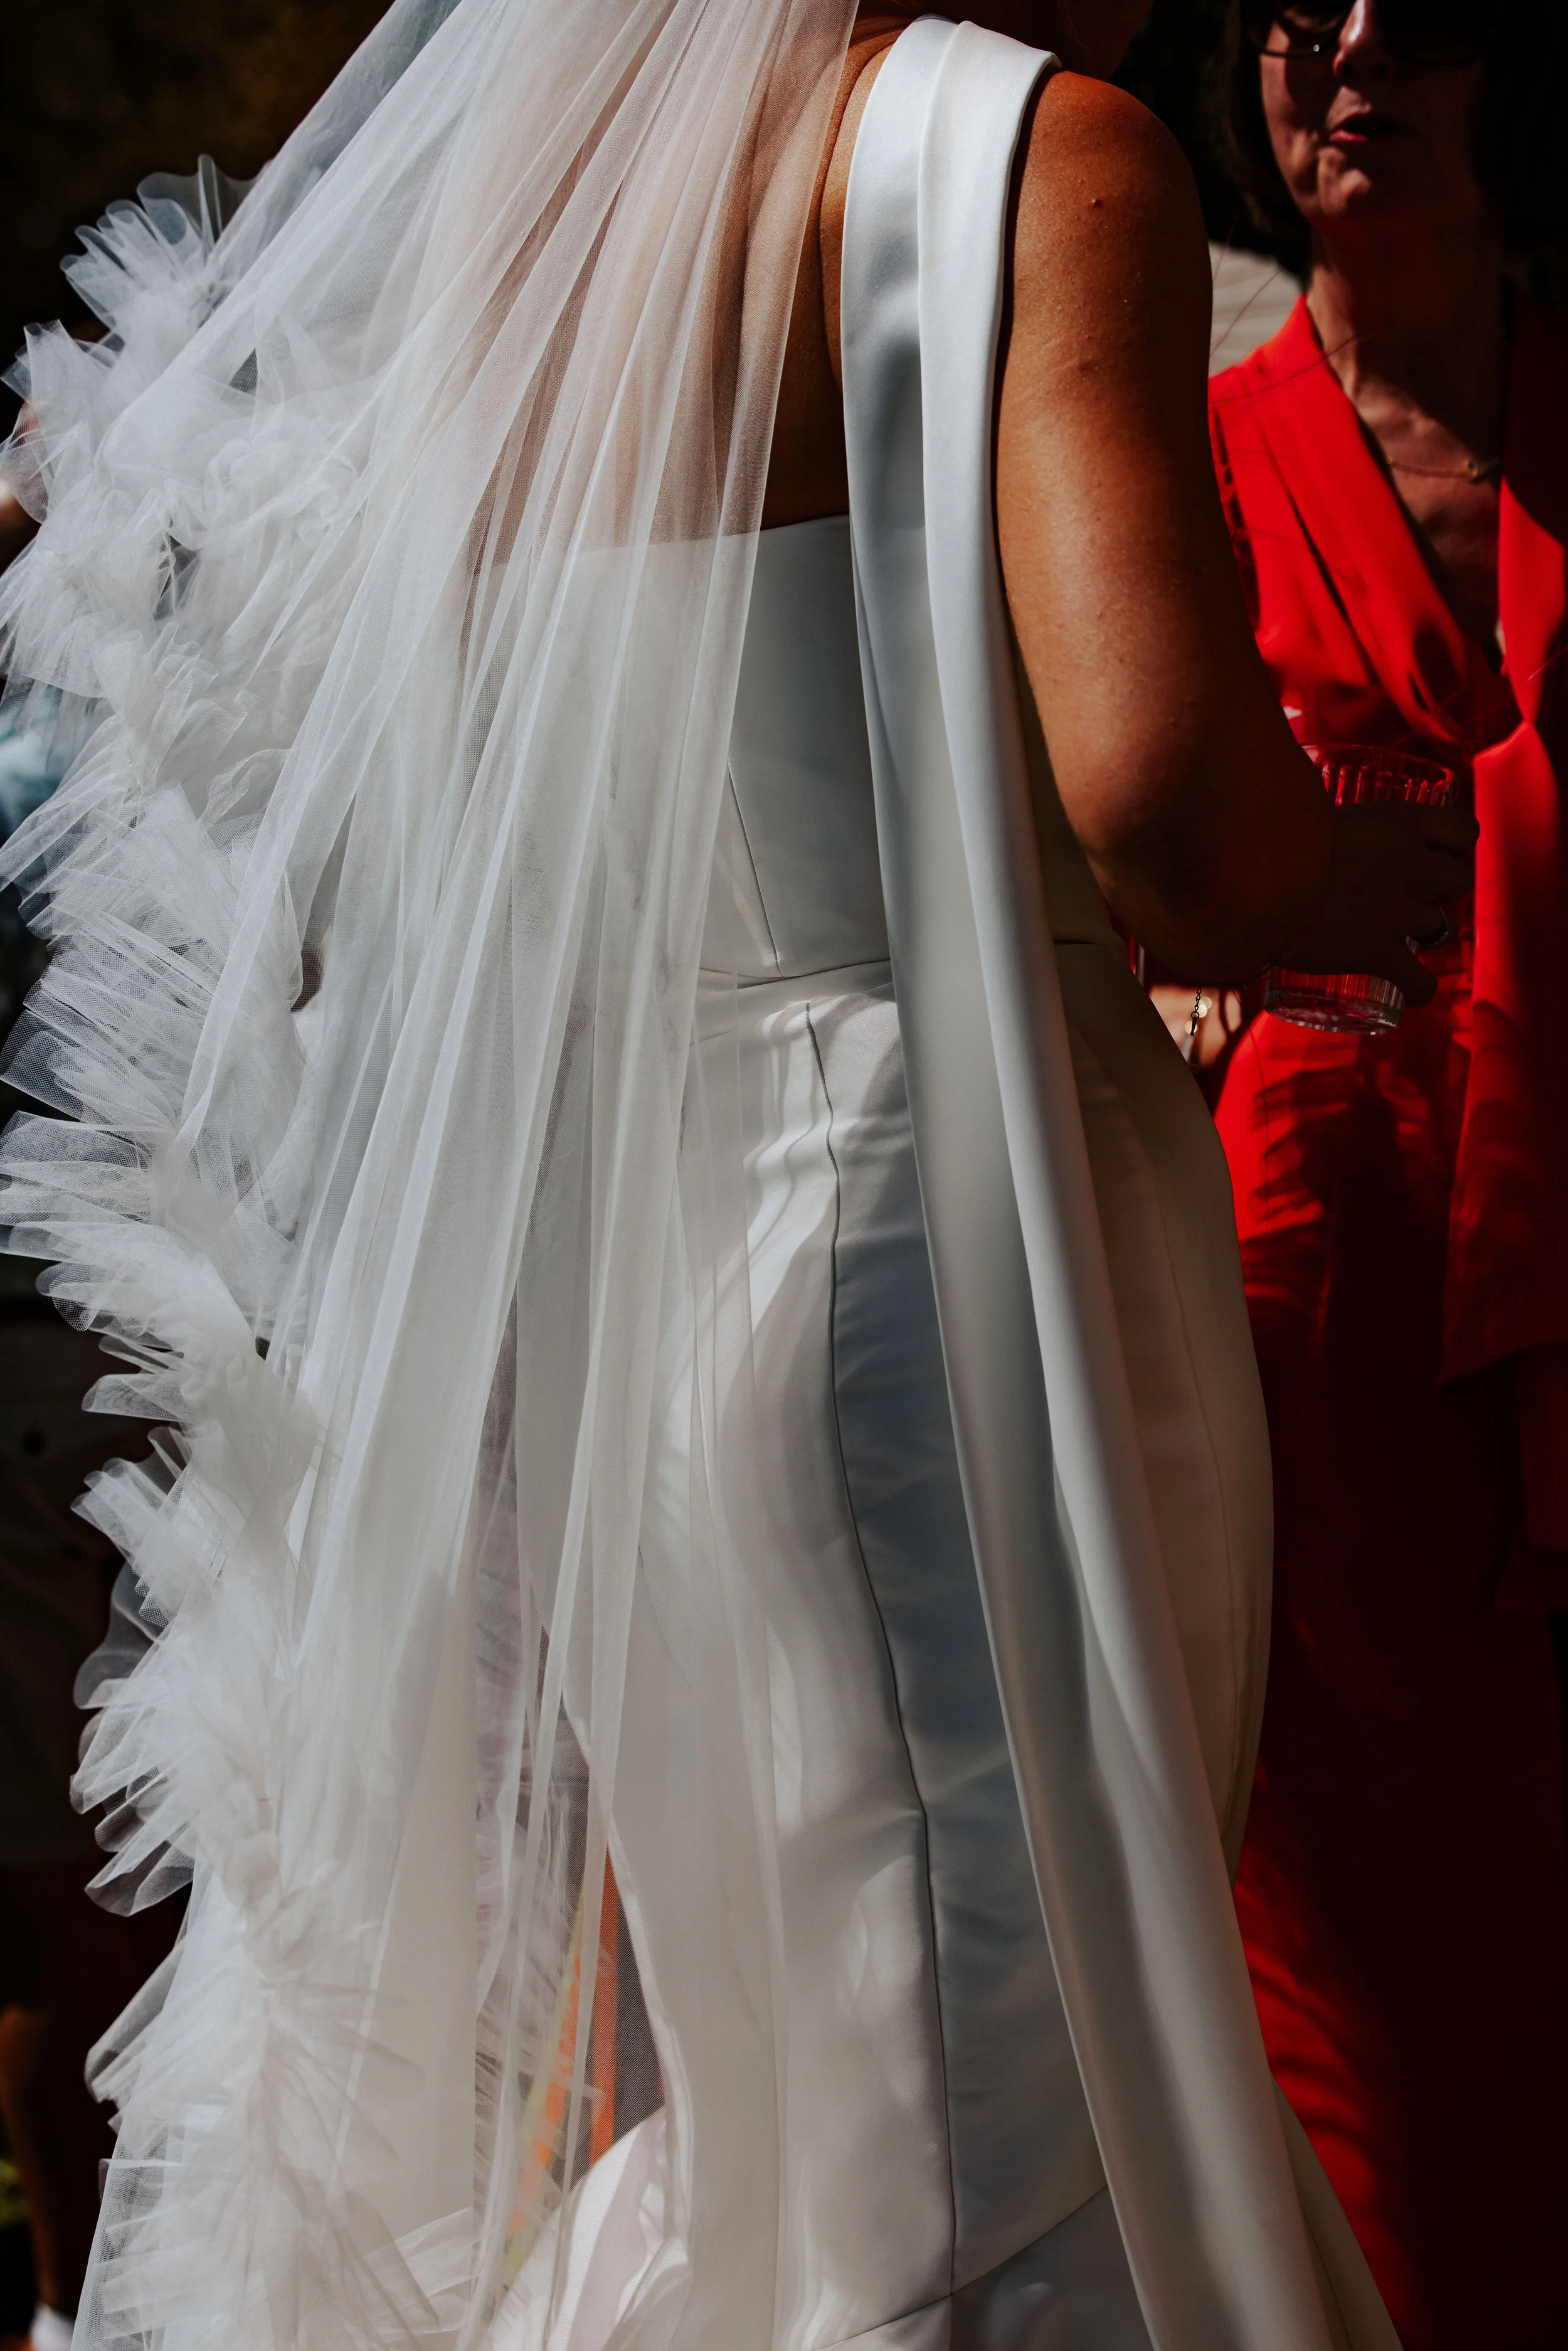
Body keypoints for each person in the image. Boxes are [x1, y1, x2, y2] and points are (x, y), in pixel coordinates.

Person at [0, 1, 1468, 2347]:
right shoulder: (1038, 159)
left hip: (646, 1256)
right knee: (1004, 2127)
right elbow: (1165, 807)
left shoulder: (536, 216)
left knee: (812, 2097)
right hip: (954, 1239)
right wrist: (1365, 875)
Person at [1203, 3, 1568, 2344]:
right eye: (1295, 3)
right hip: (1321, 1296)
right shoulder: (1168, 448)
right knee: (1396, 2008)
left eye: (1420, 4)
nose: (1350, 54)